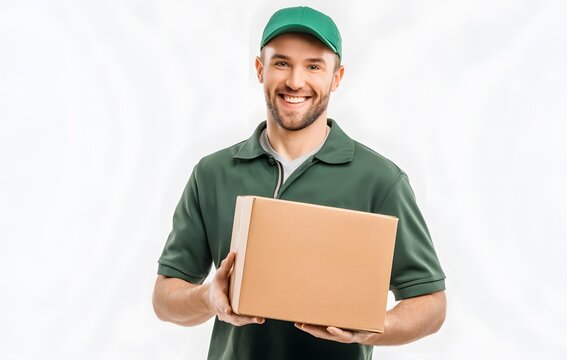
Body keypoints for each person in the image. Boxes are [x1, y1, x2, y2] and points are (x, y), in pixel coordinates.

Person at [153, 6, 446, 360]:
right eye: (281, 63)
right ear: (260, 69)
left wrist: (375, 327)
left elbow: (430, 303)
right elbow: (165, 298)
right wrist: (208, 298)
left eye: (313, 66)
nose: (295, 81)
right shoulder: (212, 173)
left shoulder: (381, 180)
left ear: (336, 77)